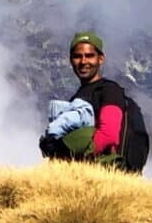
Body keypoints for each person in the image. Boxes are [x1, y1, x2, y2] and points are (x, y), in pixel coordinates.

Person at [39, 30, 126, 164]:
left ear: (100, 59)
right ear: (70, 60)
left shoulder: (110, 90)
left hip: (102, 169)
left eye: (89, 55)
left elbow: (109, 135)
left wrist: (66, 154)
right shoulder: (78, 97)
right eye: (77, 56)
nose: (83, 61)